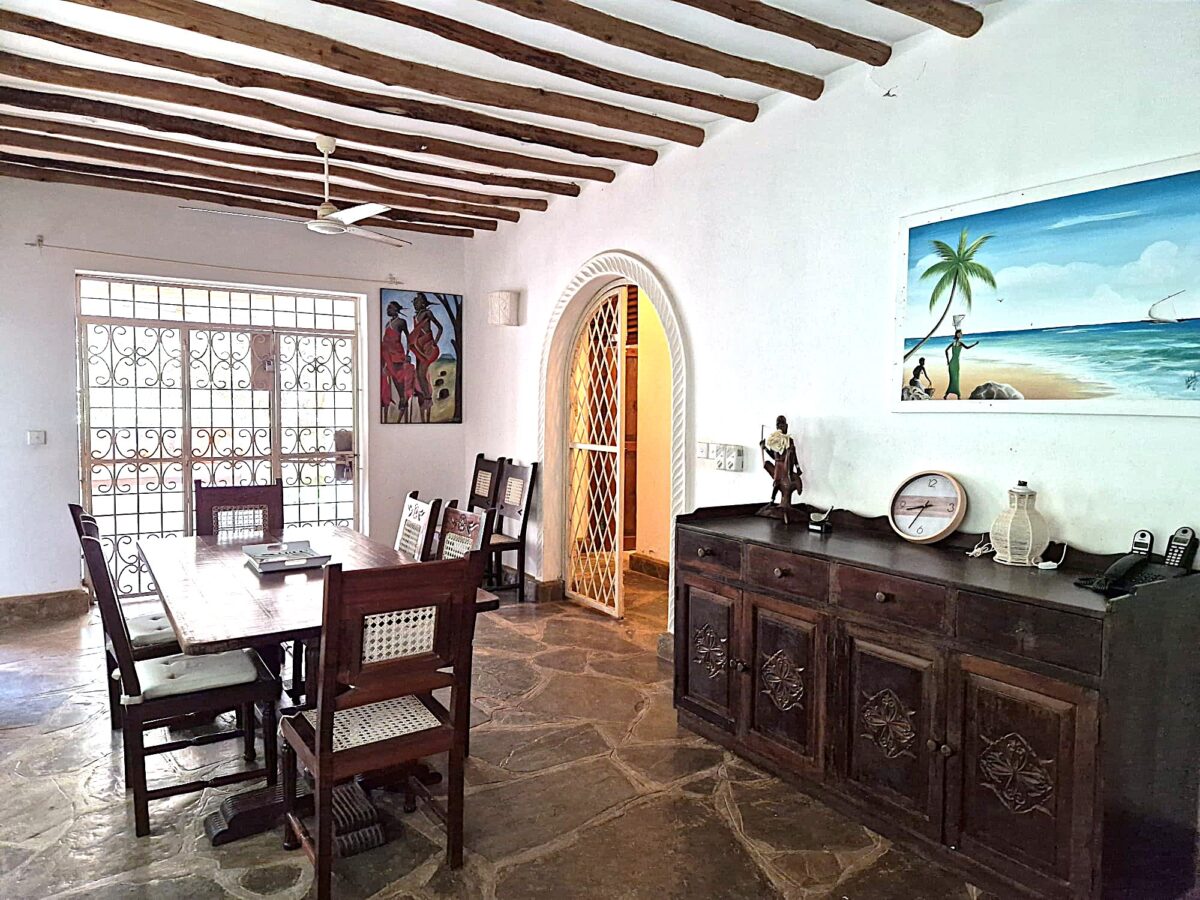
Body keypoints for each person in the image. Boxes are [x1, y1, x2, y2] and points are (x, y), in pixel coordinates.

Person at [408, 293, 444, 423]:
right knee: (419, 374)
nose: (415, 303)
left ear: (423, 302)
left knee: (422, 373)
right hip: (419, 347)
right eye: (414, 301)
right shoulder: (415, 316)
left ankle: (428, 399)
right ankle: (425, 396)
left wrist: (435, 342)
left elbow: (440, 328)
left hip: (428, 347)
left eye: (417, 301)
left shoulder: (427, 313)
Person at [381, 300, 416, 421]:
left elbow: (408, 337)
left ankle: (403, 399)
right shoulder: (388, 323)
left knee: (398, 380)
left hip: (397, 355)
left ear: (395, 309)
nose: (387, 310)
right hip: (387, 355)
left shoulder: (401, 322)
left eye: (390, 308)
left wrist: (407, 353)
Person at [944, 329, 978, 400]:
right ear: (956, 334)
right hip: (954, 362)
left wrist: (948, 360)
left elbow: (946, 350)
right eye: (959, 333)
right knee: (954, 378)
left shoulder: (957, 343)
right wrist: (947, 360)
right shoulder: (957, 343)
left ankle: (949, 394)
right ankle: (956, 394)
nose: (960, 335)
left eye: (961, 334)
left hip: (954, 362)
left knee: (955, 378)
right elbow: (946, 350)